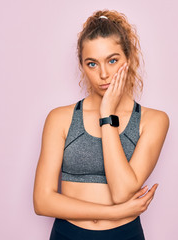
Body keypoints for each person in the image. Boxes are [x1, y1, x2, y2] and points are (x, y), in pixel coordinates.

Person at [33, 9, 169, 240]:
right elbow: (42, 201)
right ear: (82, 66)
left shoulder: (153, 120)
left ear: (130, 58)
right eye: (92, 64)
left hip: (125, 235)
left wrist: (107, 115)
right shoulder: (60, 118)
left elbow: (121, 192)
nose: (104, 74)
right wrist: (113, 213)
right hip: (68, 234)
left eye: (112, 60)